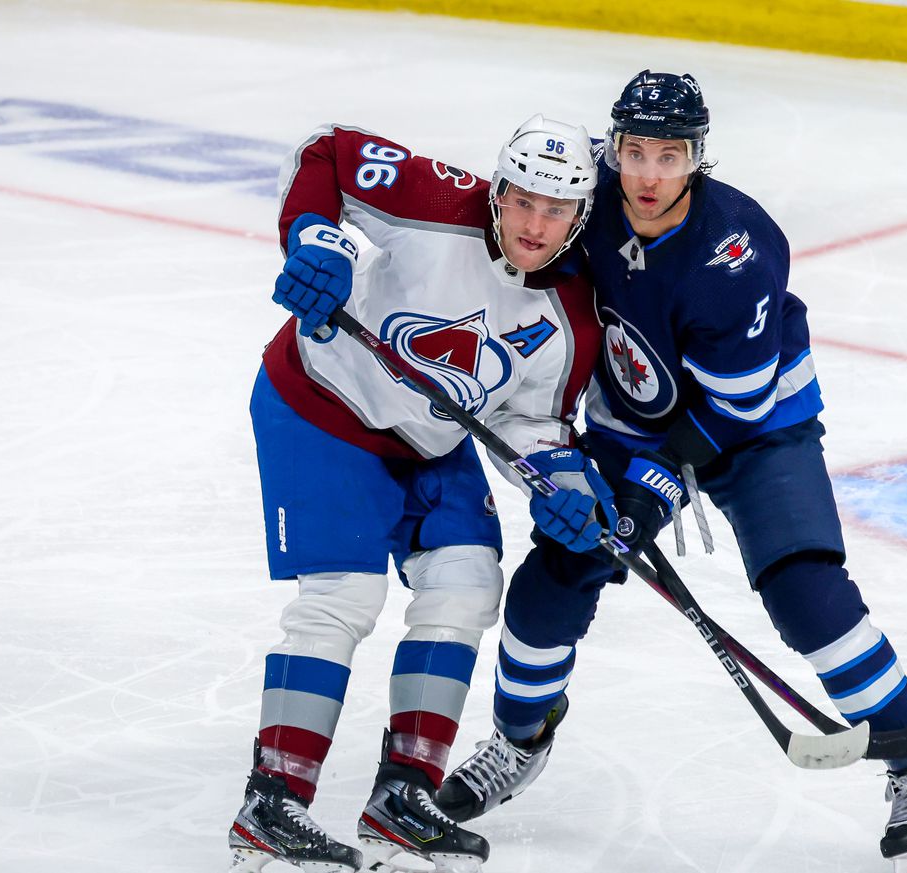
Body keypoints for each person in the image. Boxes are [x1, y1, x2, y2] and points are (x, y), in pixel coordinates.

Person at [437, 72, 907, 873]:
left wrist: (658, 486)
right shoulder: (584, 189)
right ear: (611, 145)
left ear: (699, 156)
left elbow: (732, 409)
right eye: (634, 151)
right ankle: (520, 742)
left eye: (671, 154)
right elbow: (508, 213)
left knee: (808, 594)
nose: (648, 174)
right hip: (631, 421)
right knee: (555, 573)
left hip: (757, 428)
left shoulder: (736, 252)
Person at [226, 114, 615, 873]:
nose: (536, 224)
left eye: (558, 209)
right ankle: (272, 802)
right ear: (498, 190)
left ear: (580, 216)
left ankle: (404, 794)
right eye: (524, 200)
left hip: (428, 440)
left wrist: (561, 483)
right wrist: (318, 241)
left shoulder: (572, 315)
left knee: (468, 582)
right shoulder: (439, 205)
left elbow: (531, 418)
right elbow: (328, 152)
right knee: (343, 594)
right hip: (321, 405)